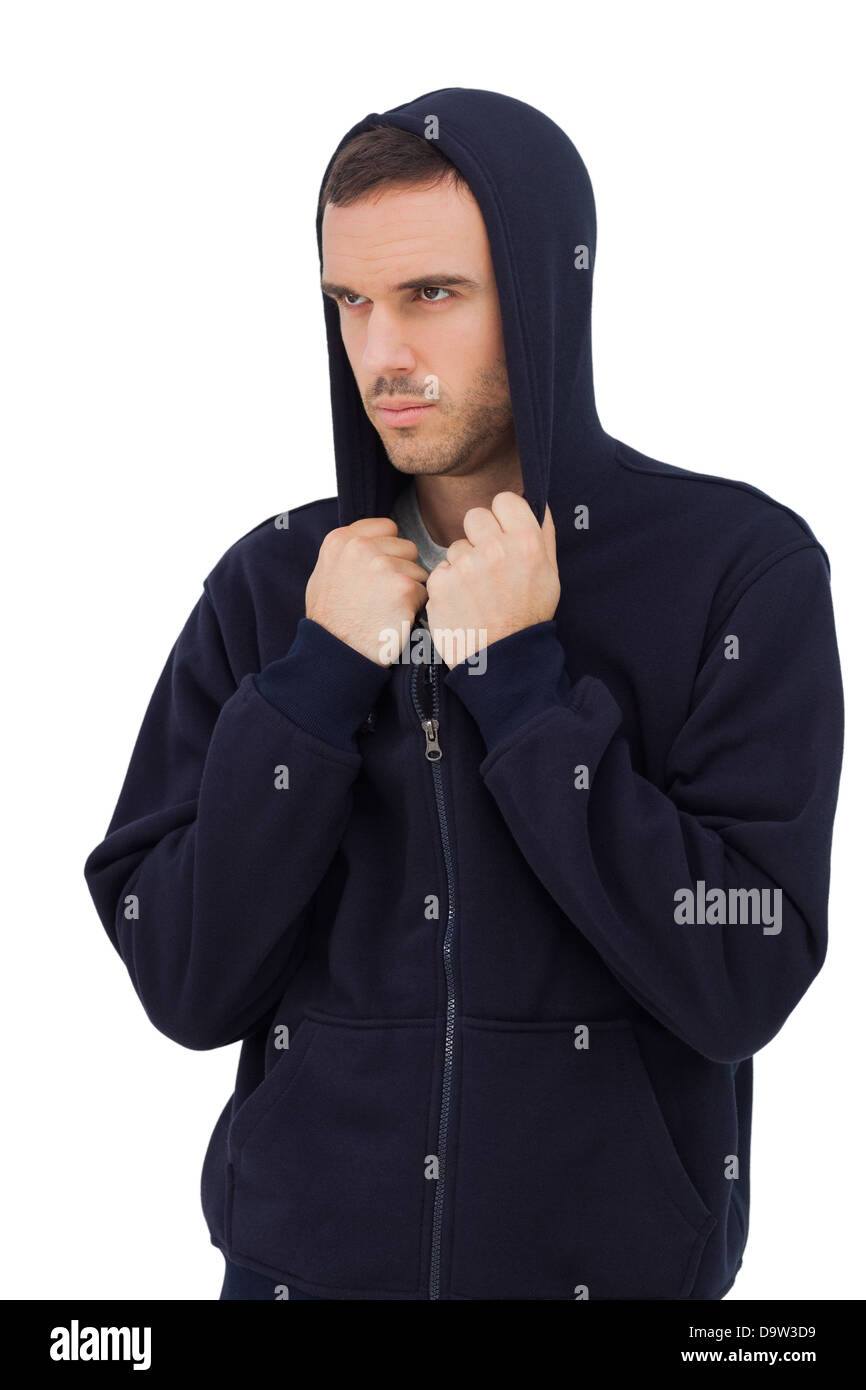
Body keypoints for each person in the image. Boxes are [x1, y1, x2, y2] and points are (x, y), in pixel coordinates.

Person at [83, 87, 844, 1302]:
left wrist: (524, 688)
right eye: (350, 301)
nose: (381, 353)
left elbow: (741, 962)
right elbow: (183, 978)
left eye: (431, 294)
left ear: (542, 296)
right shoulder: (272, 586)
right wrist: (315, 681)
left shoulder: (732, 572)